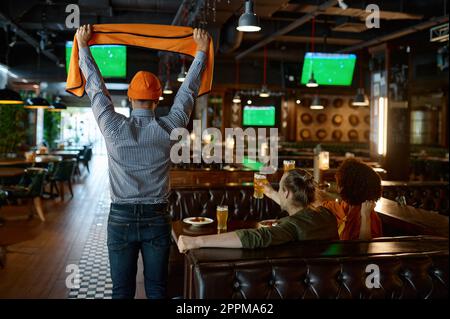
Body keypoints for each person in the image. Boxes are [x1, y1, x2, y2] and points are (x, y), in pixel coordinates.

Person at [75, 25, 209, 299]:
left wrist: (83, 46)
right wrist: (202, 52)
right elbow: (187, 93)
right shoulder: (169, 128)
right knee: (157, 289)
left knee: (121, 291)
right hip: (157, 218)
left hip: (120, 217)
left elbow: (95, 89)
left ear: (129, 98)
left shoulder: (112, 128)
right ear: (158, 99)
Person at [177, 170, 338, 253]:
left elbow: (254, 237)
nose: (278, 191)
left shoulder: (290, 227)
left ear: (287, 193)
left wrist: (196, 241)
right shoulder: (327, 215)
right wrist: (270, 192)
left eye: (280, 188)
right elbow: (297, 208)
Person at [321, 158, 383, 240]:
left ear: (351, 187)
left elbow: (365, 248)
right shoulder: (346, 205)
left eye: (340, 184)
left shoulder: (367, 216)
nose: (338, 188)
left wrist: (365, 217)